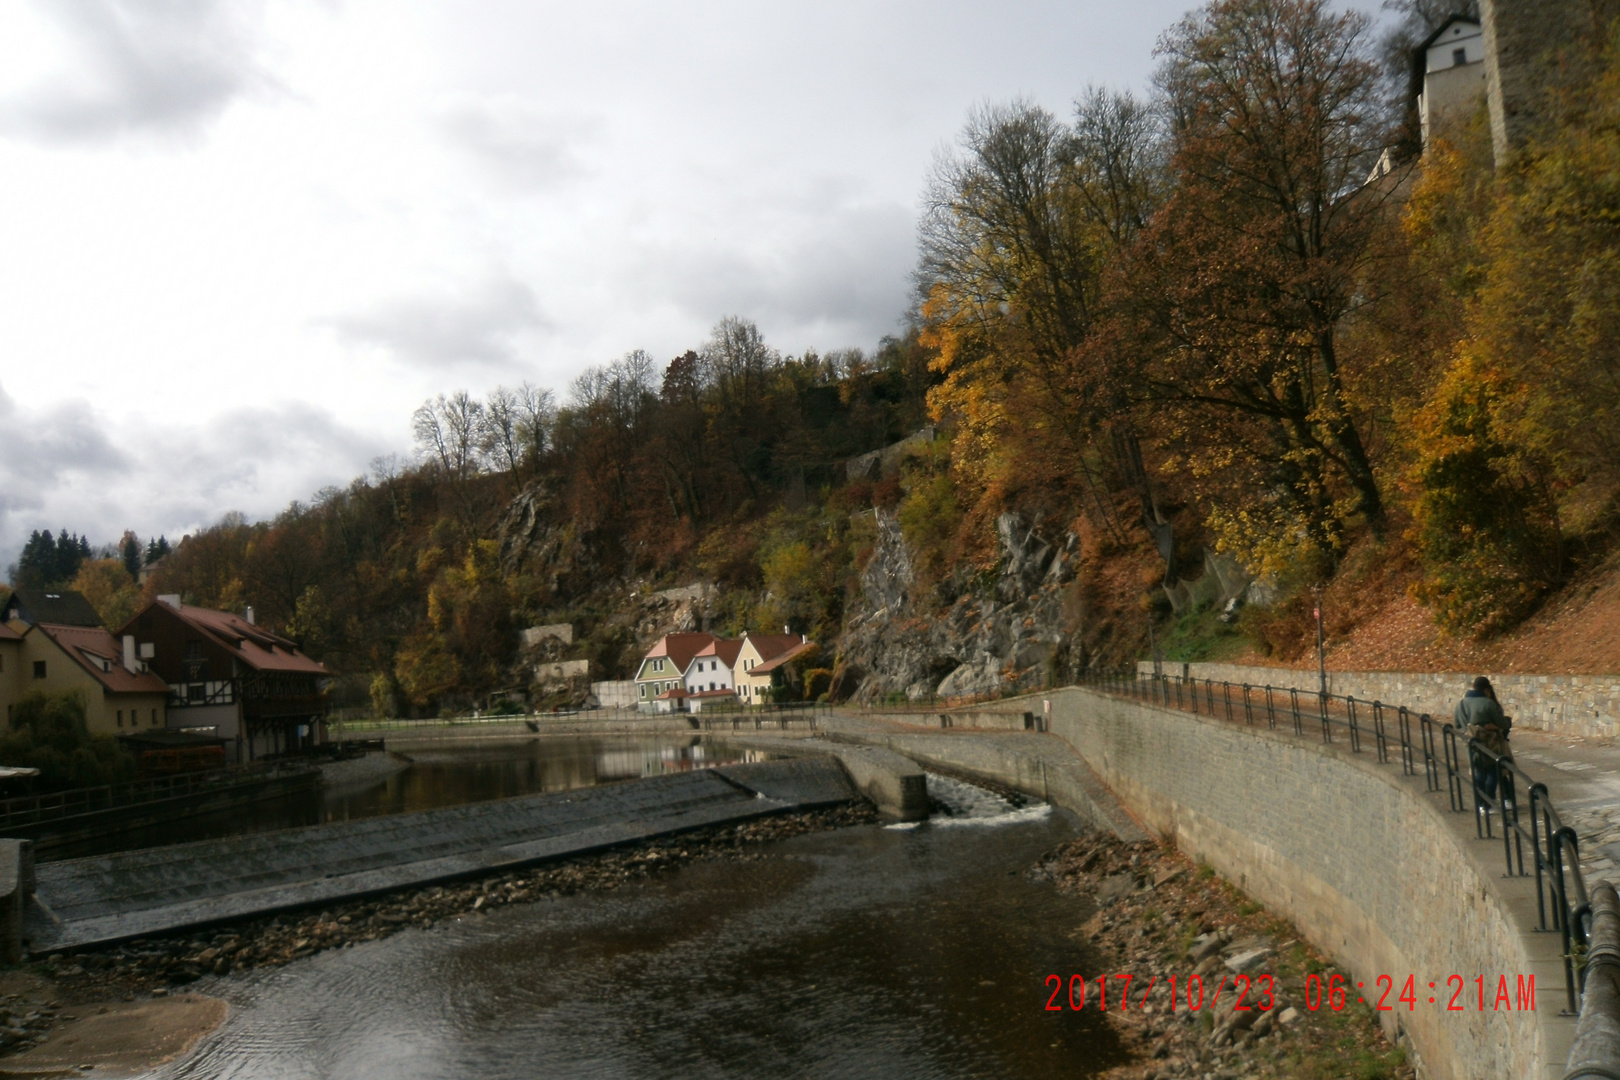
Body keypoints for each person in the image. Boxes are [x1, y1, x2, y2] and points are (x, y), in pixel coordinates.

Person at [1454, 676, 1512, 803]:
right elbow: (1502, 724)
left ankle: (1481, 803)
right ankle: (1489, 801)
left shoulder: (1461, 704)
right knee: (1493, 770)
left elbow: (1457, 724)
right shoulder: (1488, 703)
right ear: (1486, 689)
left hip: (1470, 742)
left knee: (1478, 772)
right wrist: (1505, 722)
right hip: (1488, 742)